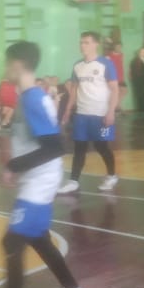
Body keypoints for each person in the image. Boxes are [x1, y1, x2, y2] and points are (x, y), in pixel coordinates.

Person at [0, 41, 87, 288]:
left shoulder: (33, 99)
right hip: (36, 177)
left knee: (12, 241)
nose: (4, 68)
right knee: (39, 238)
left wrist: (13, 165)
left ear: (17, 64)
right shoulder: (28, 97)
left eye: (7, 63)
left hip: (40, 180)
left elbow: (55, 147)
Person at [59, 32, 119, 194]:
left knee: (102, 146)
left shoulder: (105, 64)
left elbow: (114, 89)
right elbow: (74, 90)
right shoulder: (77, 66)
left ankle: (112, 175)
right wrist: (67, 110)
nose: (82, 45)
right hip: (82, 115)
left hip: (101, 115)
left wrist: (111, 111)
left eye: (86, 42)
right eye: (81, 42)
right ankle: (73, 180)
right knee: (79, 147)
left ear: (96, 44)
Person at [108, 42, 126, 111]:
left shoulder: (122, 55)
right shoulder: (110, 55)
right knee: (115, 92)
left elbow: (122, 65)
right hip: (113, 77)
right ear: (114, 47)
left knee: (124, 90)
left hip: (121, 77)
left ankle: (117, 106)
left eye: (120, 47)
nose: (118, 48)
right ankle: (116, 107)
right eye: (117, 47)